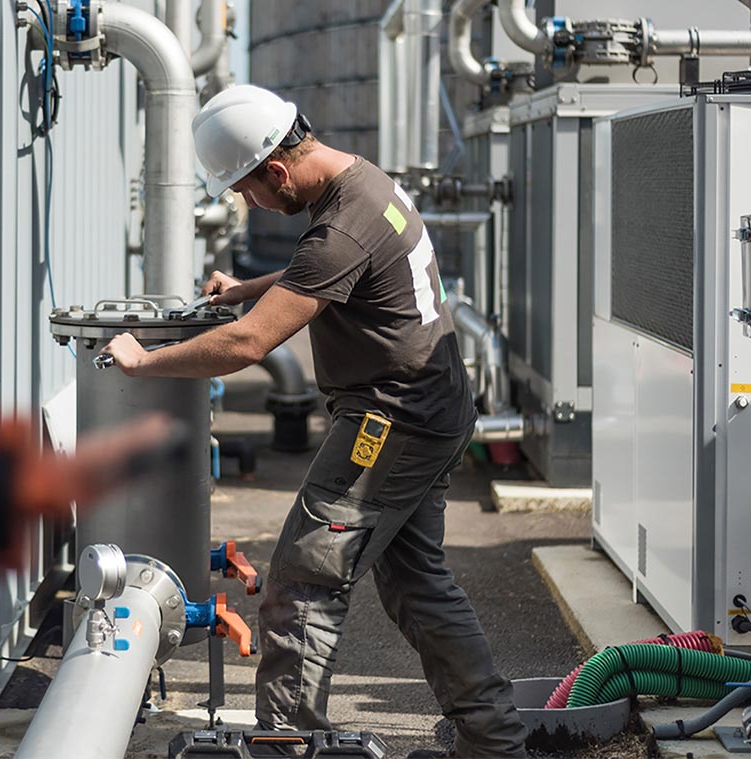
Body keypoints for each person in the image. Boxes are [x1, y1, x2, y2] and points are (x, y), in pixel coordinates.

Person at [99, 85, 527, 758]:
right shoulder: (361, 183)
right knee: (416, 581)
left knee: (303, 577)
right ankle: (494, 742)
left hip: (393, 416)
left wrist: (141, 359)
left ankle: (287, 745)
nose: (248, 203)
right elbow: (327, 263)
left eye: (247, 190)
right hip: (433, 407)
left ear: (277, 170)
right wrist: (245, 287)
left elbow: (246, 345)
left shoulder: (339, 227)